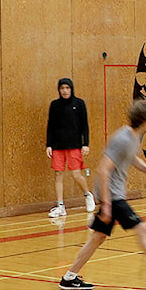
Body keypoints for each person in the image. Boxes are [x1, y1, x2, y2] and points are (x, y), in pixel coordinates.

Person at [58, 98, 146, 290]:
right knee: (142, 228)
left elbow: (132, 157)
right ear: (145, 120)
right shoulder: (123, 139)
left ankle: (69, 277)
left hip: (113, 195)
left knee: (98, 237)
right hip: (112, 196)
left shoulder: (134, 137)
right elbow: (103, 170)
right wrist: (108, 205)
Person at [45, 77, 95, 217]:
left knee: (76, 174)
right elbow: (51, 126)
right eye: (62, 88)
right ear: (59, 90)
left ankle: (87, 194)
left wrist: (86, 144)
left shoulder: (79, 104)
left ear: (71, 89)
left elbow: (84, 125)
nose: (65, 91)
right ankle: (60, 206)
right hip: (57, 146)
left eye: (67, 88)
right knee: (58, 174)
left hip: (74, 145)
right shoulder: (54, 105)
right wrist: (49, 145)